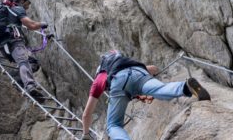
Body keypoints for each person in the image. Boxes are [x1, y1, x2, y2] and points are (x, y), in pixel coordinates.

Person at [81, 50, 211, 140]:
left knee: (113, 125)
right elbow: (153, 69)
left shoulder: (100, 78)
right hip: (139, 72)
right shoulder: (124, 61)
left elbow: (87, 114)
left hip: (119, 82)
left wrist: (86, 135)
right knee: (161, 89)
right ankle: (185, 87)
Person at [0, 0, 48, 102]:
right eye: (28, 3)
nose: (28, 7)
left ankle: (18, 81)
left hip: (2, 46)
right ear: (22, 0)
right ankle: (30, 86)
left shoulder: (6, 10)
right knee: (24, 62)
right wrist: (43, 24)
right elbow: (31, 25)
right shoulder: (17, 9)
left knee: (33, 63)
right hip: (14, 42)